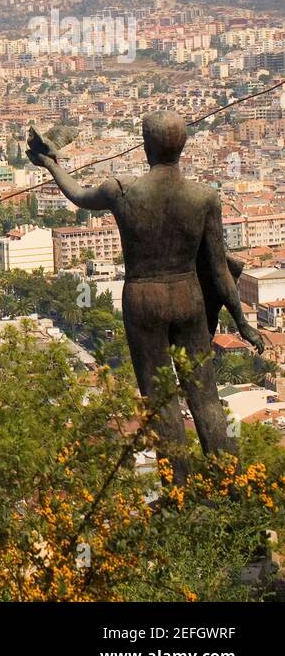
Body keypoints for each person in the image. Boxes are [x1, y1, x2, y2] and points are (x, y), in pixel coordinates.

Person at [27, 110, 262, 482]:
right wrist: (243, 321)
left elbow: (76, 195)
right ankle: (233, 487)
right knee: (205, 396)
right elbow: (219, 272)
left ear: (146, 145)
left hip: (143, 299)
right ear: (182, 147)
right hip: (188, 298)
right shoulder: (204, 198)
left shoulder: (120, 190)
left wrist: (50, 164)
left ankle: (177, 491)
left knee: (160, 399)